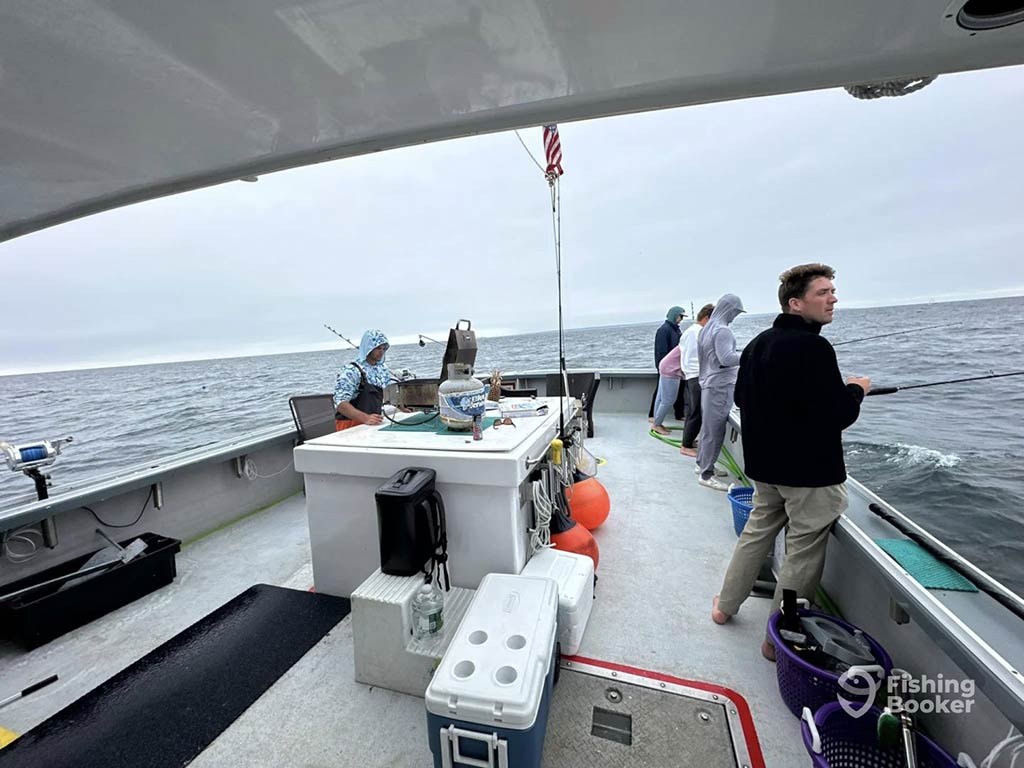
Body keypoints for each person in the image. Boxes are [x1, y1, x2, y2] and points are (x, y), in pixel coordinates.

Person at [711, 264, 870, 661]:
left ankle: (724, 606)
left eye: (833, 291)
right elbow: (839, 414)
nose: (833, 298)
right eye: (823, 292)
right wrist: (855, 389)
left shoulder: (757, 344)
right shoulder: (815, 348)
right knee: (802, 553)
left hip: (766, 471)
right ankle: (778, 637)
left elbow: (743, 401)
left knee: (756, 535)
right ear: (796, 303)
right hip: (810, 477)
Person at [695, 295, 745, 489]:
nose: (735, 317)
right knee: (715, 431)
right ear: (729, 309)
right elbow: (727, 359)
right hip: (720, 386)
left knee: (707, 429)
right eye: (735, 312)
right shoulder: (723, 331)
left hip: (708, 383)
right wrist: (752, 354)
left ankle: (702, 465)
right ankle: (706, 475)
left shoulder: (706, 329)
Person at [334, 329, 394, 430]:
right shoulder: (351, 371)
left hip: (373, 424)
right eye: (378, 348)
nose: (381, 352)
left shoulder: (382, 370)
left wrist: (401, 406)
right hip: (350, 426)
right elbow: (340, 403)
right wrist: (365, 418)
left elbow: (389, 391)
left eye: (384, 349)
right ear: (368, 347)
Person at [678, 303, 714, 457]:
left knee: (693, 410)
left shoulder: (689, 332)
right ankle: (686, 446)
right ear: (706, 318)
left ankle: (688, 440)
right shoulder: (697, 332)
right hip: (696, 376)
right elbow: (696, 356)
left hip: (691, 375)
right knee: (696, 412)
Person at [648, 306, 686, 421]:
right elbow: (661, 351)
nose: (682, 319)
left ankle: (679, 414)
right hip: (665, 368)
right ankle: (652, 415)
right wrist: (662, 368)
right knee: (660, 392)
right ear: (675, 315)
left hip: (676, 367)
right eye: (681, 316)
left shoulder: (676, 330)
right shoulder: (663, 330)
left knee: (680, 390)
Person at [651, 340, 684, 435]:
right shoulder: (694, 343)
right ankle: (656, 424)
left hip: (665, 366)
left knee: (660, 397)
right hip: (671, 371)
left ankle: (657, 422)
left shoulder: (688, 340)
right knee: (668, 400)